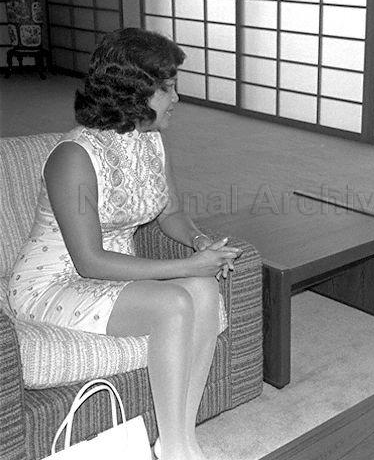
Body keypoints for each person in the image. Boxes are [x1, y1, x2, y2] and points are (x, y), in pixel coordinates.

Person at [8, 28, 240, 460]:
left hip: (113, 273)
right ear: (132, 91)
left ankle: (178, 438)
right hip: (54, 283)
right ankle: (176, 450)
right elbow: (89, 260)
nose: (176, 99)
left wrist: (199, 241)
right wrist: (187, 267)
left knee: (204, 290)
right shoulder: (73, 157)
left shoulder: (151, 141)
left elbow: (170, 214)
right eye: (166, 87)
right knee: (173, 303)